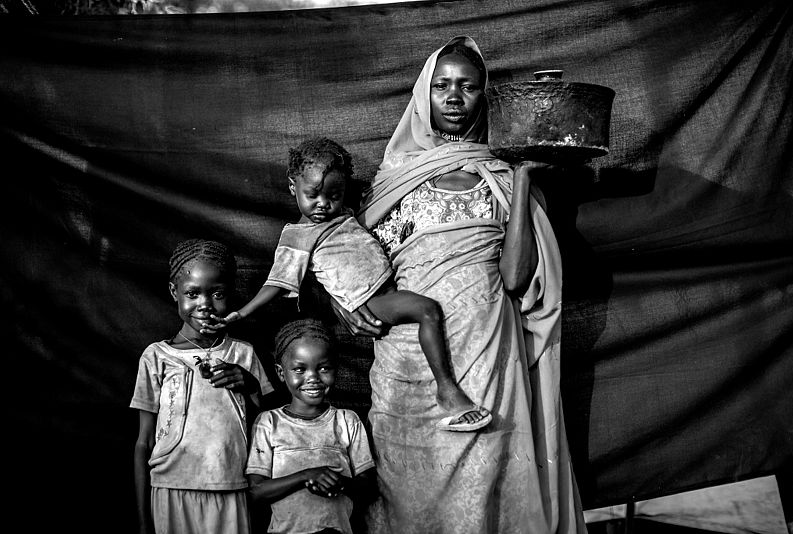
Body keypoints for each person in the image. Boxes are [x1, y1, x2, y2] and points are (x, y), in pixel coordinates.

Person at [331, 37, 587, 533]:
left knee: (485, 484)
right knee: (408, 491)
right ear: (423, 95)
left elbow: (516, 277)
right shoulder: (393, 177)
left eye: (467, 87)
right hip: (406, 359)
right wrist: (348, 303)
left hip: (487, 350)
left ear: (482, 97)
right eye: (441, 86)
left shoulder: (503, 176)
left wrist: (526, 176)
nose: (453, 97)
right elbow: (348, 256)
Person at [206, 137, 490, 431]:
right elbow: (277, 283)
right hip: (371, 302)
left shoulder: (343, 214)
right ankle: (448, 391)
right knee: (427, 310)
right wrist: (243, 312)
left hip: (389, 287)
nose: (323, 204)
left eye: (334, 195)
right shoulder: (298, 236)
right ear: (293, 187)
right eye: (312, 194)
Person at [131, 238, 274, 534]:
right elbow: (143, 442)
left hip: (231, 487)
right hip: (170, 489)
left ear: (230, 293)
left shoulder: (243, 354)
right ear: (174, 292)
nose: (205, 304)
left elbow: (268, 429)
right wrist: (144, 521)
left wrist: (250, 385)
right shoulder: (157, 357)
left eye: (217, 293)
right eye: (192, 293)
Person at [246, 318, 376, 534]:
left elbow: (368, 487)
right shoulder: (269, 423)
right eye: (299, 369)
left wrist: (338, 482)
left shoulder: (346, 420)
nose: (313, 378)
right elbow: (256, 492)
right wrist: (306, 476)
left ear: (336, 369)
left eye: (323, 368)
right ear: (281, 373)